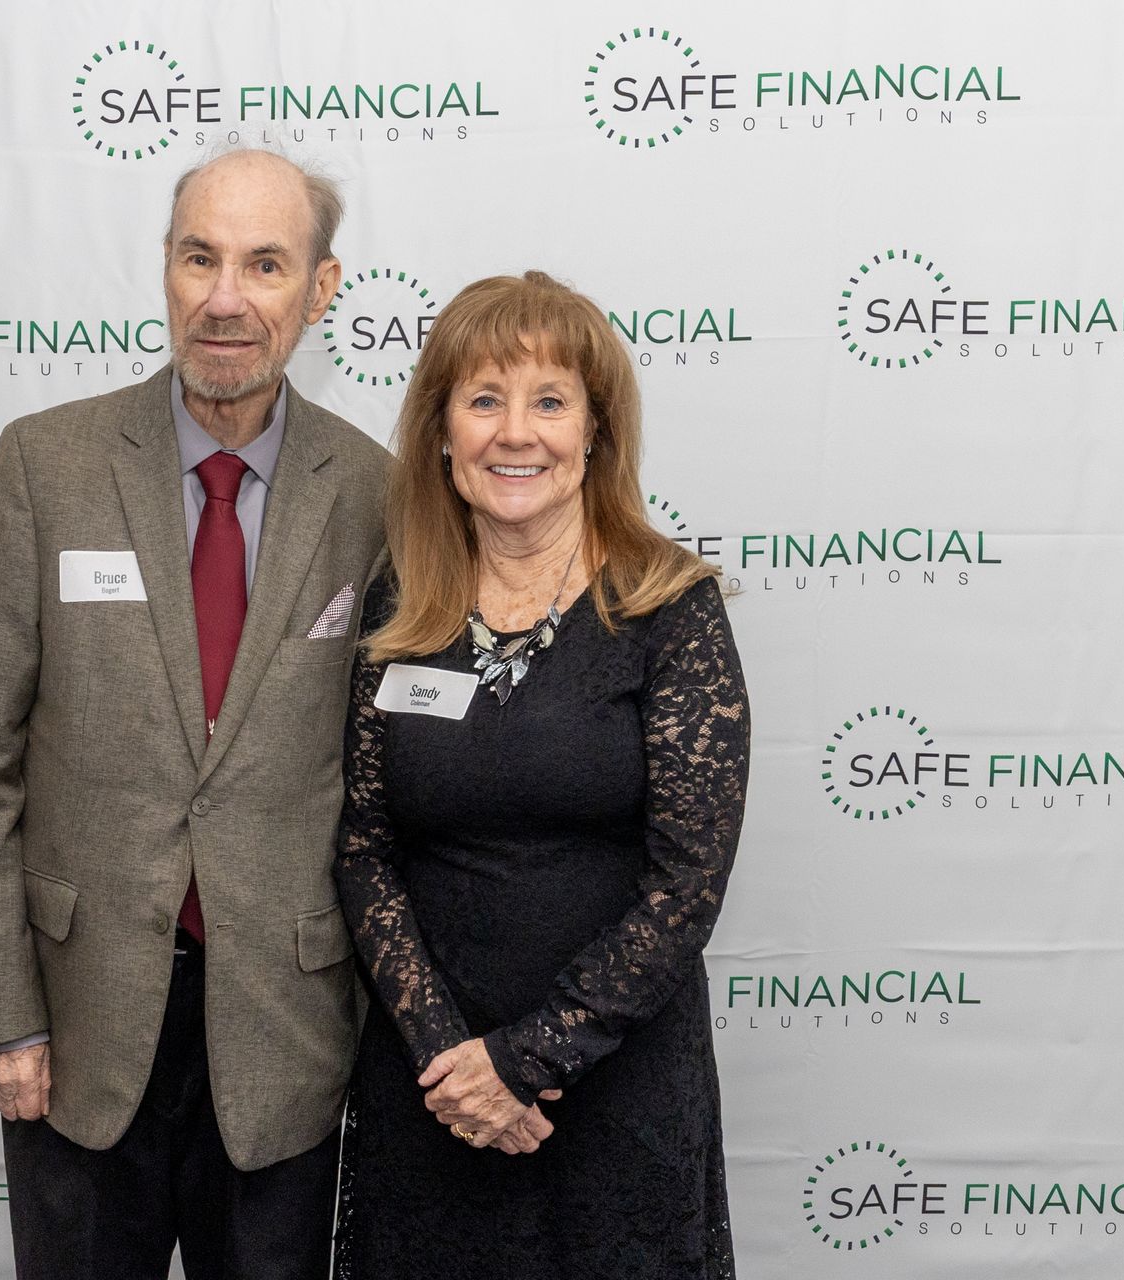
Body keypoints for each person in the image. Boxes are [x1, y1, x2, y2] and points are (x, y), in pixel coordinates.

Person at [0, 148, 390, 1280]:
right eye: (200, 257)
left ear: (320, 290)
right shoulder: (48, 463)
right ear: (167, 269)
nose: (225, 297)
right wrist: (5, 1014)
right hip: (79, 1032)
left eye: (264, 264)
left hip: (283, 1036)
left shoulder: (381, 495)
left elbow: (390, 777)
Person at [332, 271, 749, 1279]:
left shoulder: (670, 607)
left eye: (550, 400)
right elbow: (361, 842)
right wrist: (449, 1057)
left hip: (613, 1089)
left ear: (596, 429)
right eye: (484, 399)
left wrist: (523, 1061)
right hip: (428, 1087)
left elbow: (686, 882)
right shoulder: (397, 608)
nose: (516, 432)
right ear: (441, 430)